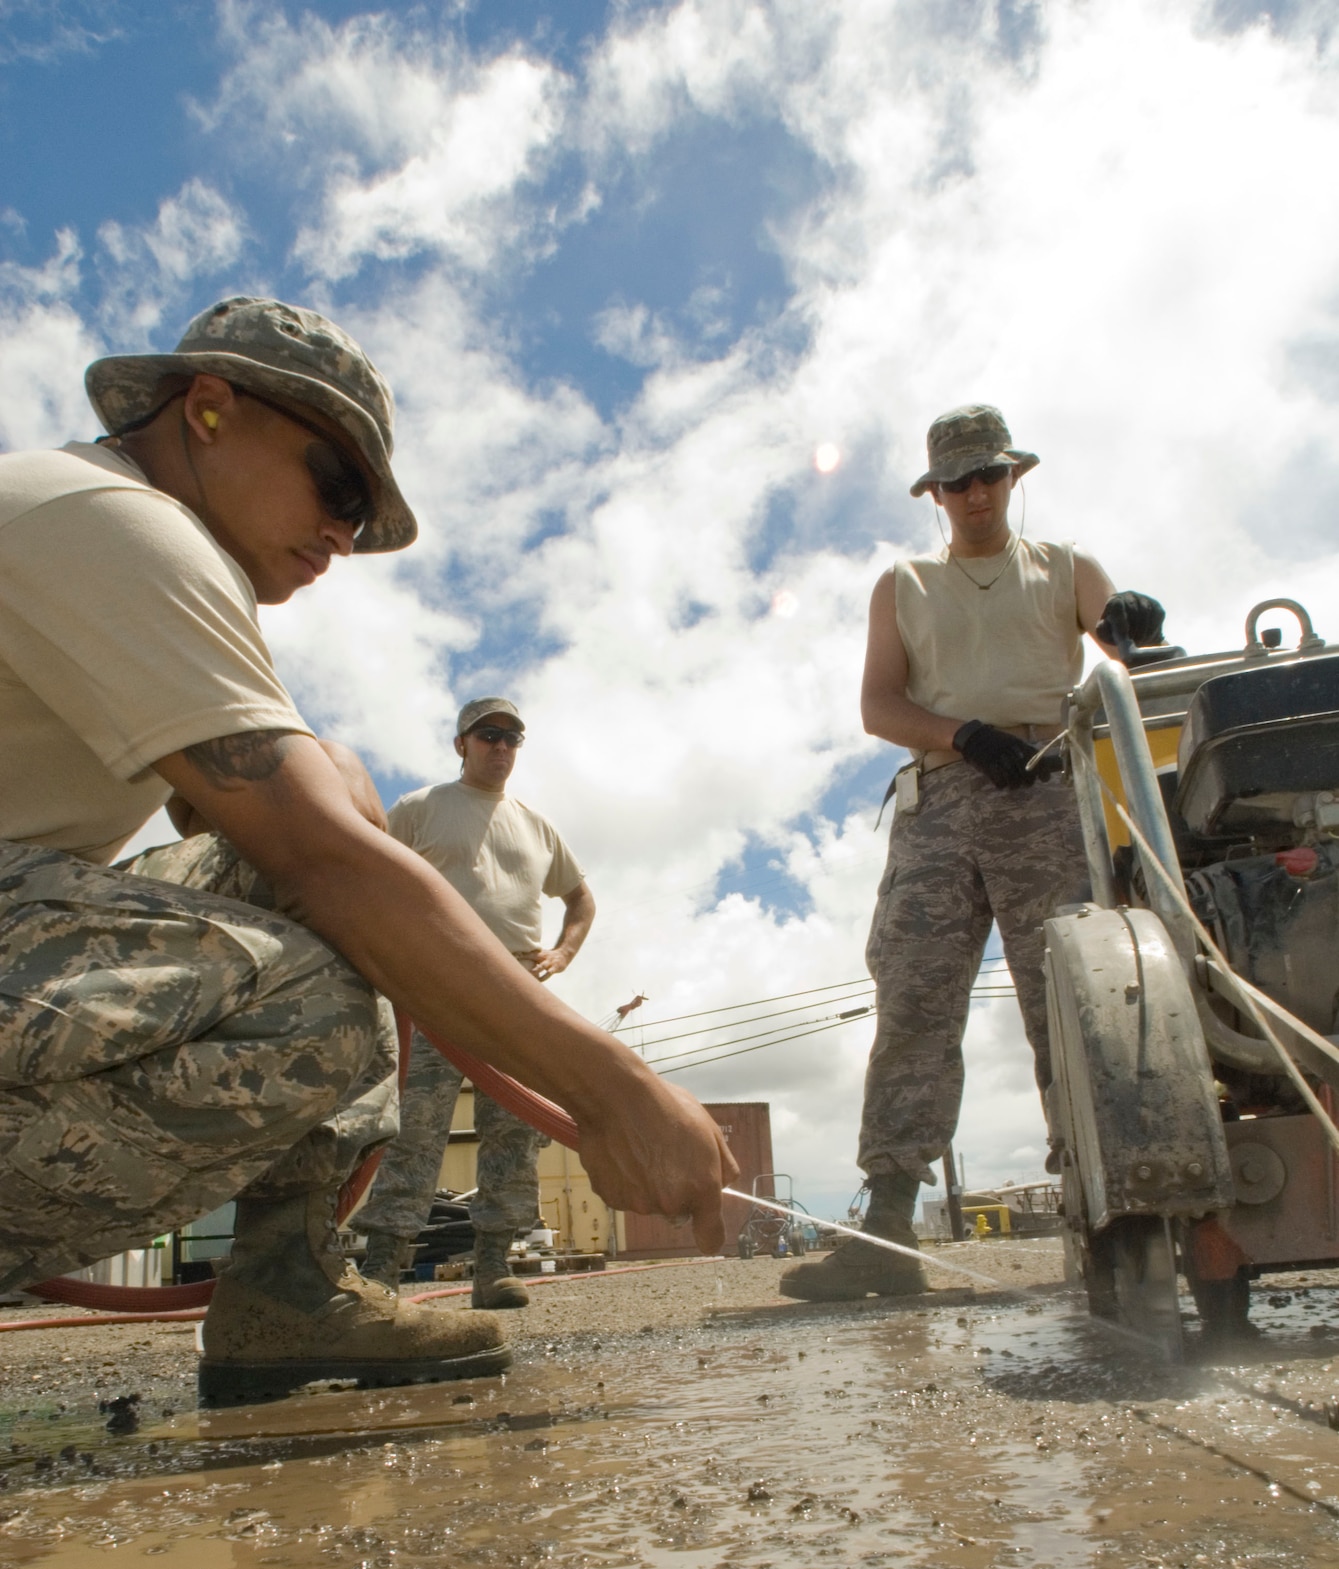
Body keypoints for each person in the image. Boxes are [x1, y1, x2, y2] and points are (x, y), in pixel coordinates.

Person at [0, 295, 734, 1402]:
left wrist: (332, 790)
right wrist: (611, 1086)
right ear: (207, 410)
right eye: (336, 486)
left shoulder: (111, 535)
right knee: (320, 967)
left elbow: (286, 824)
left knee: (329, 841)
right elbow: (324, 863)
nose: (344, 535)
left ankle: (284, 1286)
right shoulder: (114, 521)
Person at [782, 403, 1163, 1302]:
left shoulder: (1066, 568)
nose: (975, 493)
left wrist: (1136, 627)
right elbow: (879, 707)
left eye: (988, 475)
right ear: (935, 493)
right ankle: (884, 1230)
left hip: (1047, 789)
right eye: (956, 482)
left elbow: (1130, 655)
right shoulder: (904, 583)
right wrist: (958, 732)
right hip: (943, 798)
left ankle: (1105, 1220)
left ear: (1013, 477)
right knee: (914, 998)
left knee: (1072, 1002)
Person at [359, 697, 597, 1309]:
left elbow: (580, 900)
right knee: (414, 1127)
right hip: (436, 984)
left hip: (515, 989)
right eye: (489, 734)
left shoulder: (537, 825)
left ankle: (493, 1267)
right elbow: (367, 877)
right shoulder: (419, 809)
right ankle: (383, 1269)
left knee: (513, 1129)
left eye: (513, 737)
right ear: (461, 743)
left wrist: (563, 955)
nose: (502, 746)